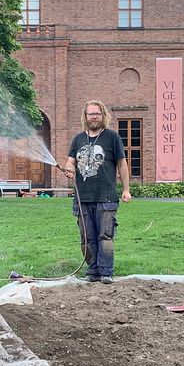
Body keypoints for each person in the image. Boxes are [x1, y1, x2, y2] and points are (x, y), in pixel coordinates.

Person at [63, 100, 131, 284]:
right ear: (85, 117)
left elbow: (122, 164)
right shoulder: (78, 139)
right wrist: (69, 167)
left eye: (97, 113)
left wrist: (126, 189)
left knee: (105, 236)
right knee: (87, 238)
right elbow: (71, 161)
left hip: (106, 197)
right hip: (82, 198)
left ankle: (106, 272)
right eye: (90, 113)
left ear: (103, 116)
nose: (94, 117)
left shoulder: (112, 137)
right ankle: (92, 271)